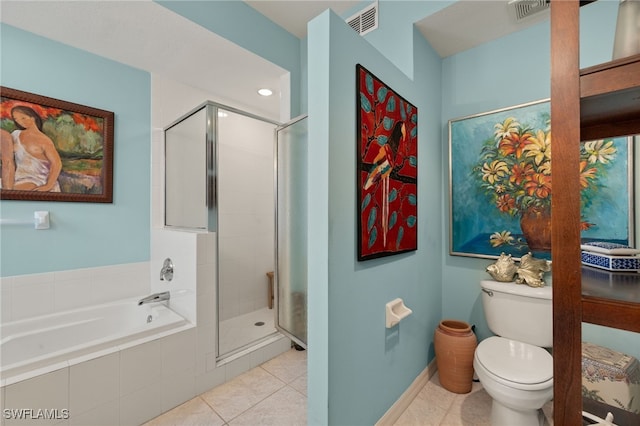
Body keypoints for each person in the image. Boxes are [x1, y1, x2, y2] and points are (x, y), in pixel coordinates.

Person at [9, 105, 61, 192]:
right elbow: (5, 154)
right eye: (16, 119)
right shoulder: (15, 135)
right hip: (17, 177)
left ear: (33, 117)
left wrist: (48, 186)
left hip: (37, 179)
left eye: (23, 118)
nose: (20, 122)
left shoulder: (45, 140)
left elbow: (57, 163)